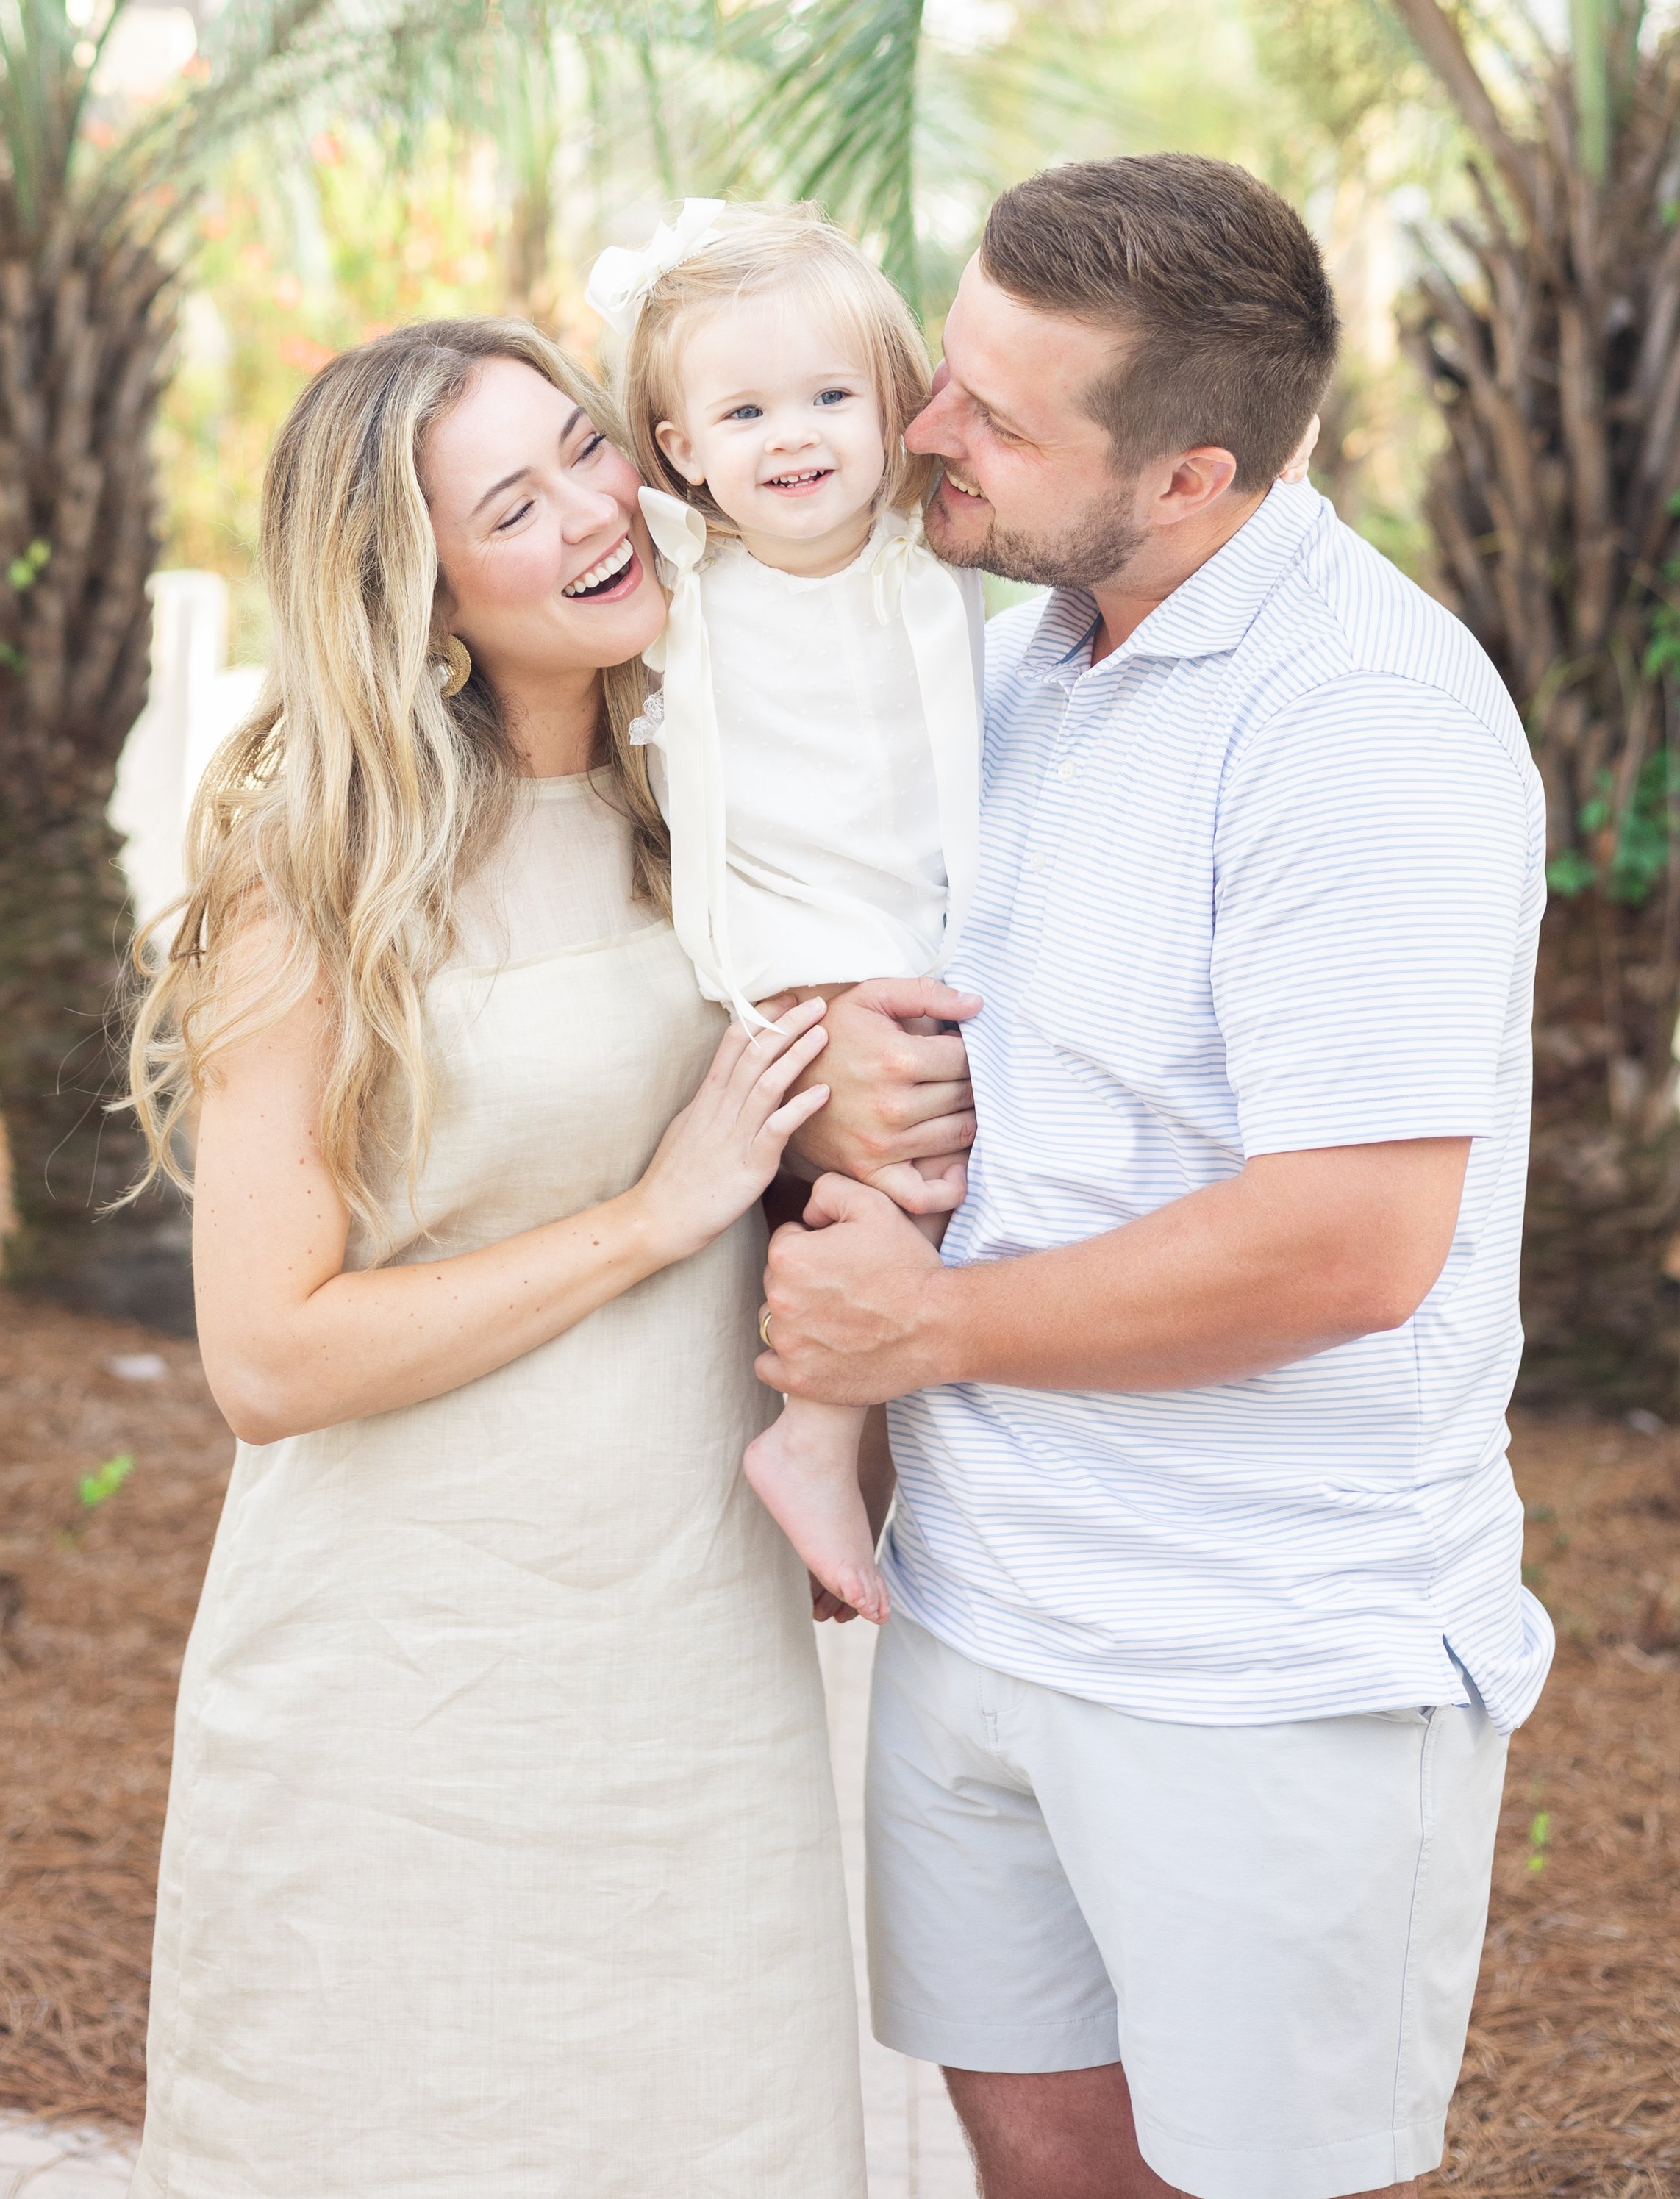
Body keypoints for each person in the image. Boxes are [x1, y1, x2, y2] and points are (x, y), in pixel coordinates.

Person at [759, 154, 1554, 2199]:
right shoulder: (1031, 651)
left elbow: (1352, 1238)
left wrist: (917, 1323)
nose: (921, 428)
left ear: (1190, 474)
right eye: (945, 370)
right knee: (1035, 2156)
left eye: (993, 418)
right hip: (980, 1607)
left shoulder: (1355, 718)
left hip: (1258, 1664)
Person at [125, 318, 867, 2199]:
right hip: (410, 1675)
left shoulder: (703, 810)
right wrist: (652, 1209)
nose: (591, 512)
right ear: (424, 590)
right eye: (509, 505)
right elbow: (267, 1361)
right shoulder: (318, 879)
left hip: (684, 1656)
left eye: (585, 449)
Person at [593, 199, 982, 1623]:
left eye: (828, 395)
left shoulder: (934, 574)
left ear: (892, 410)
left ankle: (844, 1455)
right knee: (903, 1173)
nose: (793, 434)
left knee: (907, 1180)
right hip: (782, 941)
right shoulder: (682, 579)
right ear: (681, 452)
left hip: (928, 925)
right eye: (742, 410)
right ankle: (814, 1448)